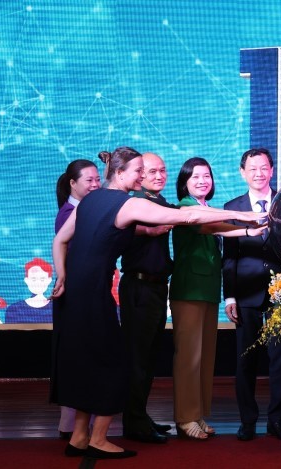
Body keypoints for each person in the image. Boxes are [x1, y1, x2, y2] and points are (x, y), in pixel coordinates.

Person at [51, 146, 261, 459]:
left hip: (77, 293)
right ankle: (98, 438)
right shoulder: (128, 204)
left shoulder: (91, 200)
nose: (144, 176)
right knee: (113, 364)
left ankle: (80, 437)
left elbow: (60, 240)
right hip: (93, 293)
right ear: (119, 173)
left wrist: (63, 275)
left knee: (91, 363)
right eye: (138, 171)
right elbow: (188, 215)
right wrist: (242, 215)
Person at [170, 157, 266, 440]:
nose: (203, 181)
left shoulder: (205, 208)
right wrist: (245, 220)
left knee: (204, 356)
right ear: (184, 182)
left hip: (207, 291)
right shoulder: (186, 207)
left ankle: (197, 413)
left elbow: (217, 226)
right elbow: (208, 225)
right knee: (189, 357)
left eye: (207, 176)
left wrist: (247, 230)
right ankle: (185, 417)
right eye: (195, 177)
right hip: (189, 291)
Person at [222, 148, 281, 441]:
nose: (259, 173)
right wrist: (230, 297)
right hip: (245, 292)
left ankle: (277, 420)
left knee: (280, 359)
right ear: (242, 173)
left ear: (272, 170)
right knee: (245, 359)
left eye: (264, 168)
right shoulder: (232, 207)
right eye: (252, 168)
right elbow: (229, 256)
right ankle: (247, 421)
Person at [118, 152, 176, 444]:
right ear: (139, 174)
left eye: (163, 170)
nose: (159, 176)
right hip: (138, 287)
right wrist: (149, 230)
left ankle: (140, 416)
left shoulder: (159, 201)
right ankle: (134, 422)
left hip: (156, 288)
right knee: (137, 358)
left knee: (149, 357)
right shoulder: (135, 202)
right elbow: (123, 228)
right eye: (152, 171)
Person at [54, 159, 101, 440]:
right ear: (72, 183)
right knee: (77, 358)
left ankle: (79, 425)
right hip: (75, 294)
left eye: (98, 179)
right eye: (89, 180)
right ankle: (71, 426)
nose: (96, 185)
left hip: (87, 292)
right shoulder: (69, 213)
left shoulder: (85, 209)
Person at [4, 258, 54, 323]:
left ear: (49, 280)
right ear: (26, 280)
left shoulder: (55, 308)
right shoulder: (14, 309)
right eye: (33, 279)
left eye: (42, 279)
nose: (37, 283)